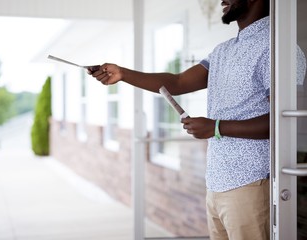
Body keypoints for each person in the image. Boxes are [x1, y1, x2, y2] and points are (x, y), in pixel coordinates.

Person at [89, 0, 306, 239]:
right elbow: (178, 82)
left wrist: (215, 127)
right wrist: (123, 74)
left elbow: (282, 121)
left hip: (252, 183)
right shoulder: (223, 50)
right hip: (216, 182)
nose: (222, 0)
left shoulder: (279, 49)